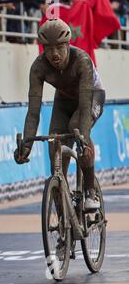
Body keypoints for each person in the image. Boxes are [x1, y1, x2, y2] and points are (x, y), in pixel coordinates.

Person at [14, 19, 105, 210]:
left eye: (60, 47)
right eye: (48, 48)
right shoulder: (38, 67)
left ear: (68, 45)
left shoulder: (82, 60)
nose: (54, 54)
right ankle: (63, 219)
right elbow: (33, 112)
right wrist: (27, 146)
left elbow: (84, 104)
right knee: (54, 149)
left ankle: (90, 191)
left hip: (91, 96)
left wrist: (84, 139)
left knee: (77, 128)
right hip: (63, 101)